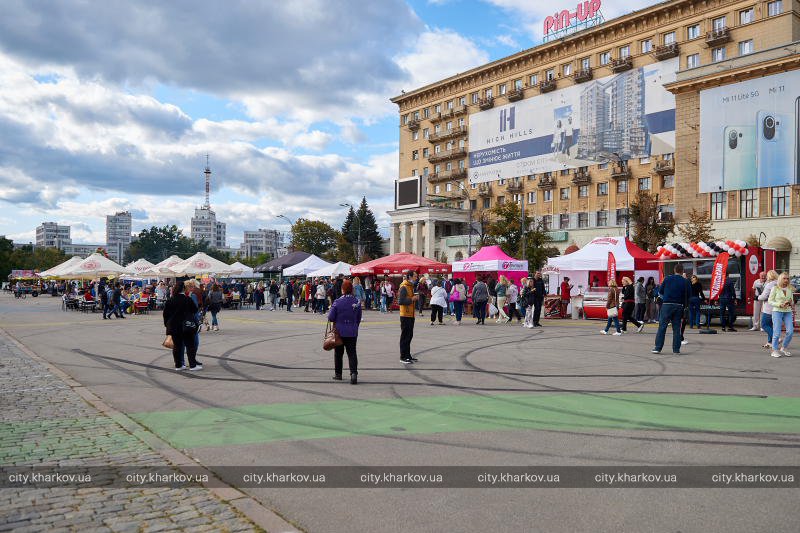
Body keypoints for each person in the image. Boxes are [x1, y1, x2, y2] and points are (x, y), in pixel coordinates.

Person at [328, 279, 362, 383]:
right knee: (352, 353)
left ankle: (338, 374)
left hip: (339, 331)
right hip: (352, 331)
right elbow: (359, 318)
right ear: (351, 289)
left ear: (342, 289)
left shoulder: (337, 302)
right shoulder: (356, 302)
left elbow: (331, 317)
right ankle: (354, 373)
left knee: (338, 353)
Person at [652, 263, 691, 354]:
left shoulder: (667, 279)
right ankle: (676, 349)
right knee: (677, 328)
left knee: (662, 327)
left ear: (674, 270)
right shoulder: (686, 281)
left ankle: (658, 348)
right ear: (682, 271)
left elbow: (660, 292)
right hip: (679, 306)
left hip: (667, 305)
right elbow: (689, 295)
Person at [163, 281, 201, 371]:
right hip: (187, 326)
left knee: (177, 346)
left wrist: (167, 325)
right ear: (184, 289)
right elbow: (195, 310)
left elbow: (165, 314)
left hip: (174, 327)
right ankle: (192, 365)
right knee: (190, 345)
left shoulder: (170, 300)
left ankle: (178, 365)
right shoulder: (187, 299)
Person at [767, 272, 794, 358]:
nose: (786, 280)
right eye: (784, 278)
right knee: (777, 332)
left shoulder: (789, 289)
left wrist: (790, 303)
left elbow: (792, 301)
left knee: (790, 331)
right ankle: (774, 350)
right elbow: (770, 301)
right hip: (777, 311)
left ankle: (784, 347)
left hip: (788, 311)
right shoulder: (775, 288)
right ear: (780, 279)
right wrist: (779, 304)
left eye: (787, 279)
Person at [397, 270, 418, 364]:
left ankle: (407, 355)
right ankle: (403, 356)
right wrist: (412, 299)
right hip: (405, 315)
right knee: (405, 336)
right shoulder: (404, 286)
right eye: (415, 276)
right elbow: (400, 301)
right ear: (409, 276)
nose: (416, 278)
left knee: (409, 335)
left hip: (411, 314)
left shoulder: (410, 286)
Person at [758, 270, 779, 350]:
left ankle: (776, 338)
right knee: (771, 325)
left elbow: (763, 297)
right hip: (777, 308)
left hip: (769, 308)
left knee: (764, 324)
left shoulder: (769, 285)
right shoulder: (779, 283)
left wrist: (758, 297)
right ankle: (770, 342)